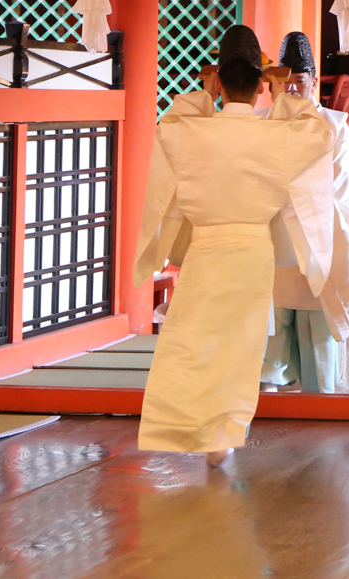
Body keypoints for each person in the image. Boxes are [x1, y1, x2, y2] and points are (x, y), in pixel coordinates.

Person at [133, 56, 334, 467]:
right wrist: (282, 97)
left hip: (207, 250)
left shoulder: (190, 129)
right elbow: (316, 130)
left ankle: (184, 429)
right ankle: (223, 435)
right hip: (251, 250)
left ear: (219, 83)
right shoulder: (276, 135)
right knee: (241, 346)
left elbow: (170, 122)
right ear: (262, 85)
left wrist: (206, 94)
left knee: (192, 341)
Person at [260, 31, 349, 393]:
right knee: (268, 346)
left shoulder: (334, 129)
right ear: (271, 85)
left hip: (316, 252)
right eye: (284, 82)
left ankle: (319, 407)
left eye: (299, 81)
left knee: (318, 348)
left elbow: (348, 197)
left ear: (313, 84)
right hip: (268, 251)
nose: (291, 90)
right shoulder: (257, 126)